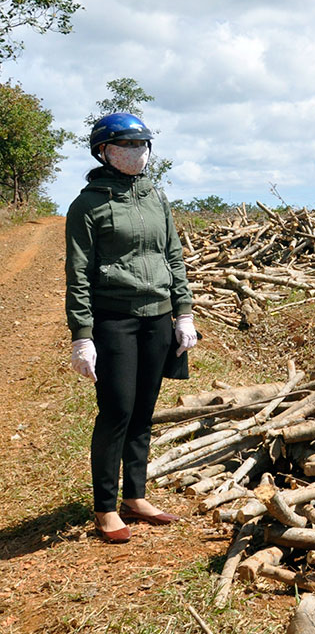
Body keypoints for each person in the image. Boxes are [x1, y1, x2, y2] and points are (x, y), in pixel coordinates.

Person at [64, 112, 198, 543]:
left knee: (144, 410)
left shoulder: (155, 198)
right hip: (114, 319)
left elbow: (172, 256)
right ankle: (105, 507)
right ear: (103, 151)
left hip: (157, 317)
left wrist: (184, 312)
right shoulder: (88, 205)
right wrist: (82, 335)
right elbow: (78, 274)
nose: (138, 154)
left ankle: (135, 496)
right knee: (117, 411)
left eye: (143, 146)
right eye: (127, 146)